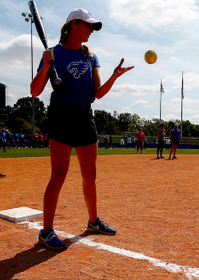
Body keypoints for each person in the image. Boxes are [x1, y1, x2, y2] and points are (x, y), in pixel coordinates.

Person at [30, 8, 133, 250]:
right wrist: (45, 66)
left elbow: (96, 94)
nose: (91, 31)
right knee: (59, 175)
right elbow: (35, 91)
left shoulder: (90, 56)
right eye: (87, 26)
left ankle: (93, 221)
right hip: (61, 116)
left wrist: (113, 77)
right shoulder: (53, 54)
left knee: (90, 176)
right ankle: (46, 231)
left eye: (92, 27)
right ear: (73, 25)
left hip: (85, 115)